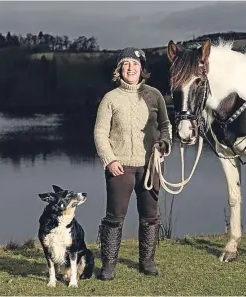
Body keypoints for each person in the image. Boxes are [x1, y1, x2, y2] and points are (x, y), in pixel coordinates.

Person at [94, 47, 172, 280]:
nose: (131, 68)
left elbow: (166, 126)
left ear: (142, 69)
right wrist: (109, 160)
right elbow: (100, 133)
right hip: (120, 168)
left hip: (151, 166)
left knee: (150, 216)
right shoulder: (111, 98)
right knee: (114, 218)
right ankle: (108, 265)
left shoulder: (154, 95)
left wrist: (164, 145)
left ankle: (147, 261)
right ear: (119, 69)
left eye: (135, 64)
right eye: (126, 64)